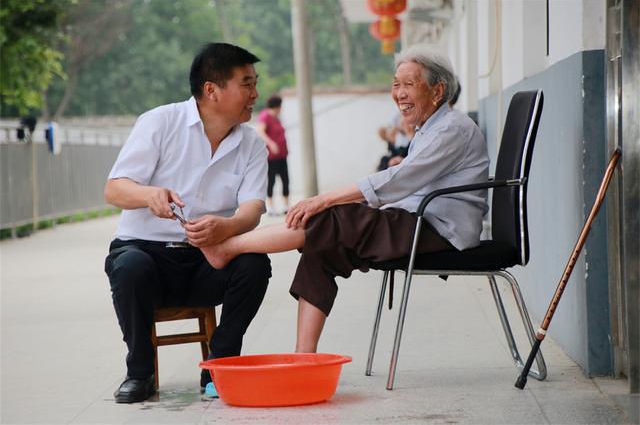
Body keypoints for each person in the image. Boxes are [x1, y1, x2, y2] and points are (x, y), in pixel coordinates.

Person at [198, 45, 489, 354]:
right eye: (395, 84)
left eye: (408, 84)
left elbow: (400, 182)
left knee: (329, 217)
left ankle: (228, 248)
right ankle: (304, 358)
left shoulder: (451, 129)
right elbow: (406, 179)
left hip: (439, 230)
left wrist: (324, 199)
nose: (399, 93)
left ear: (437, 90)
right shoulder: (430, 128)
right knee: (321, 249)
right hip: (416, 219)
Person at [103, 43, 272, 404]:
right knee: (129, 266)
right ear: (212, 89)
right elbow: (115, 189)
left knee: (255, 264)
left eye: (255, 83)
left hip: (206, 260)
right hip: (146, 255)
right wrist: (149, 196)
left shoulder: (252, 146)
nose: (255, 94)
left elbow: (253, 209)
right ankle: (140, 372)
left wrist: (226, 229)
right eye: (246, 84)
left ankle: (218, 366)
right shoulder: (160, 122)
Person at [256, 95, 290, 215]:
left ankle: (286, 206)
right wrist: (271, 144)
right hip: (271, 158)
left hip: (282, 156)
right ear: (277, 106)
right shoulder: (265, 116)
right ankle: (270, 207)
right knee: (271, 181)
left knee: (285, 180)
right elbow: (260, 131)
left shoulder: (277, 118)